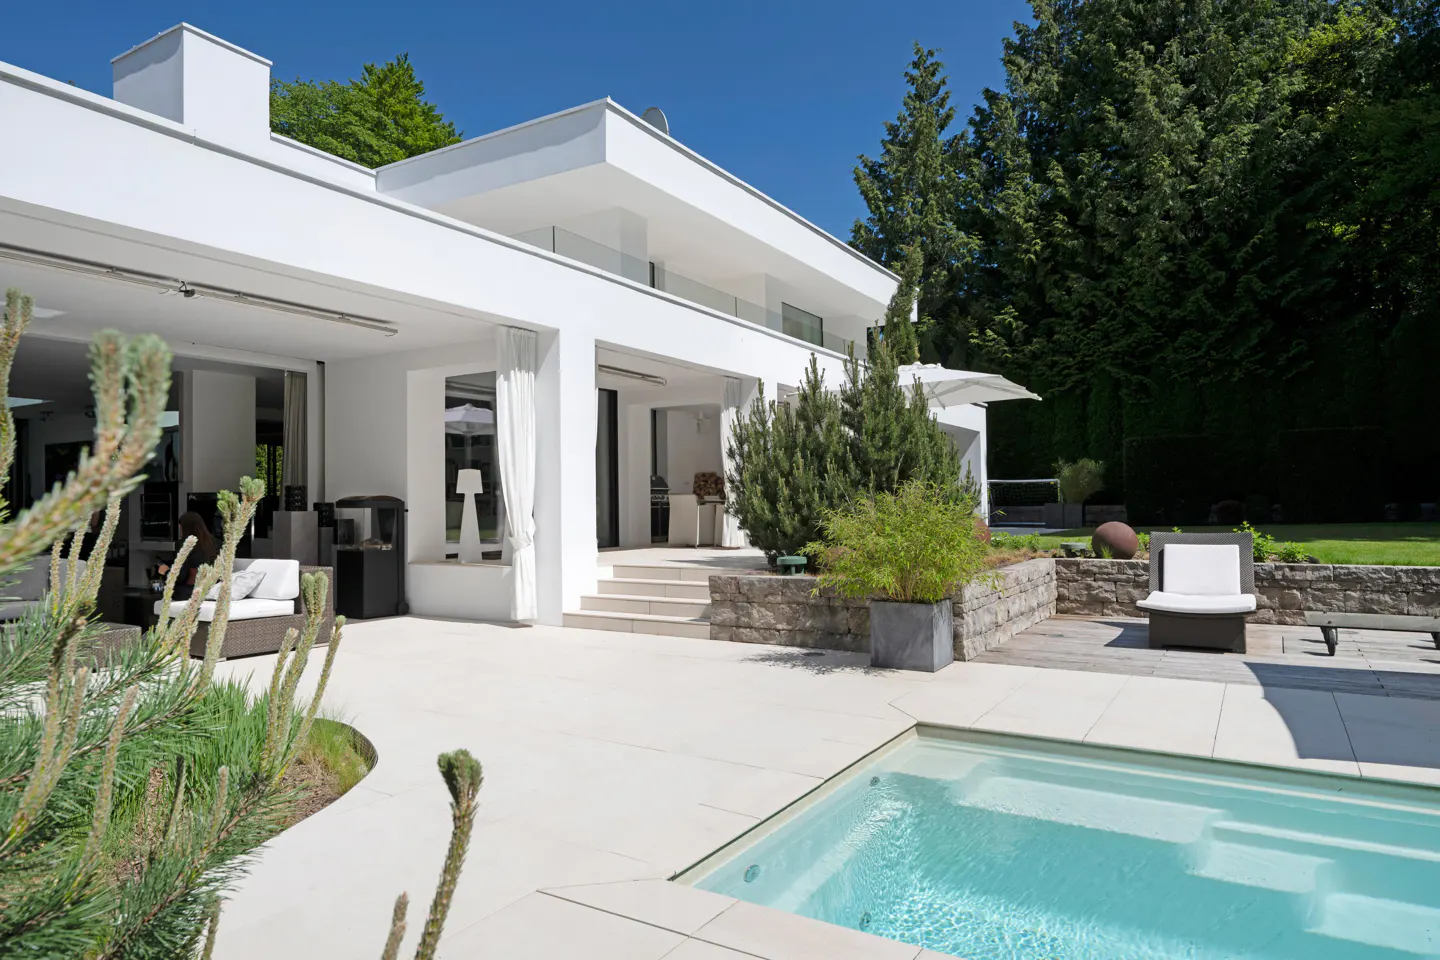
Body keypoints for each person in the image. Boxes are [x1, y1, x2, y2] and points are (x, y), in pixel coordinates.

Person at [157, 512, 217, 600]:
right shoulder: (215, 542)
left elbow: (181, 576)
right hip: (212, 590)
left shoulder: (184, 544)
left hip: (189, 592)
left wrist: (165, 572)